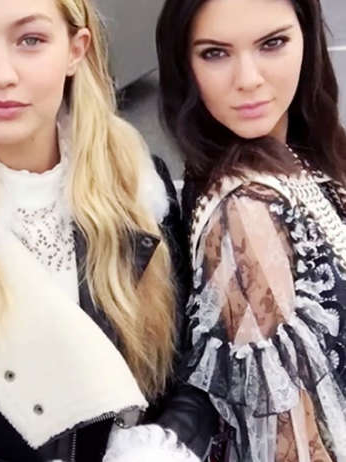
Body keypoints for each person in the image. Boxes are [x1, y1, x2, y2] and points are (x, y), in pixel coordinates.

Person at [0, 0, 217, 461]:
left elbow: (192, 366)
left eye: (30, 39)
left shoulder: (138, 189)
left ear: (76, 49)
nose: (0, 74)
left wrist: (157, 449)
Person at [157, 0, 346, 460]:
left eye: (272, 43)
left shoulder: (303, 152)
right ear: (184, 65)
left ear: (307, 39)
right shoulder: (246, 214)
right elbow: (289, 444)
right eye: (215, 53)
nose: (248, 79)